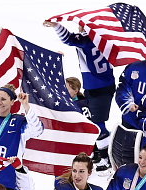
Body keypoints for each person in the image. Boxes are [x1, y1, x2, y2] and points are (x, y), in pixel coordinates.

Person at [43, 21, 116, 173]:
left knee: (98, 124)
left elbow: (68, 38)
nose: (79, 28)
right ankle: (99, 153)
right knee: (92, 121)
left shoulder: (87, 39)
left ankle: (106, 159)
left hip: (98, 87)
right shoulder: (104, 39)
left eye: (82, 26)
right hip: (98, 86)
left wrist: (56, 26)